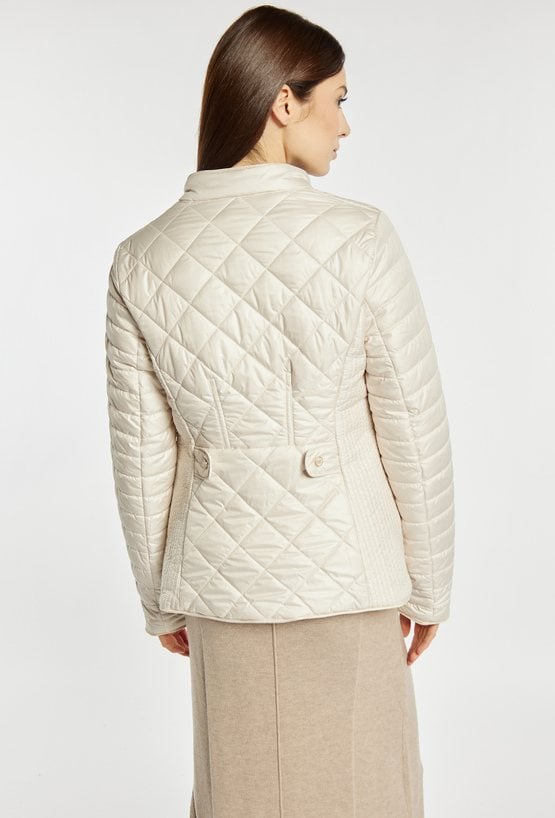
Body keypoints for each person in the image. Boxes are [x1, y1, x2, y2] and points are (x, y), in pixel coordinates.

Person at [104, 5, 455, 817]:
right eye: (337, 98)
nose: (345, 124)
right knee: (365, 794)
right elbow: (412, 427)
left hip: (219, 583)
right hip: (348, 576)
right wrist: (429, 587)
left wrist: (161, 597)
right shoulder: (359, 236)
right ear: (283, 102)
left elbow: (142, 454)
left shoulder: (142, 258)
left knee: (241, 797)